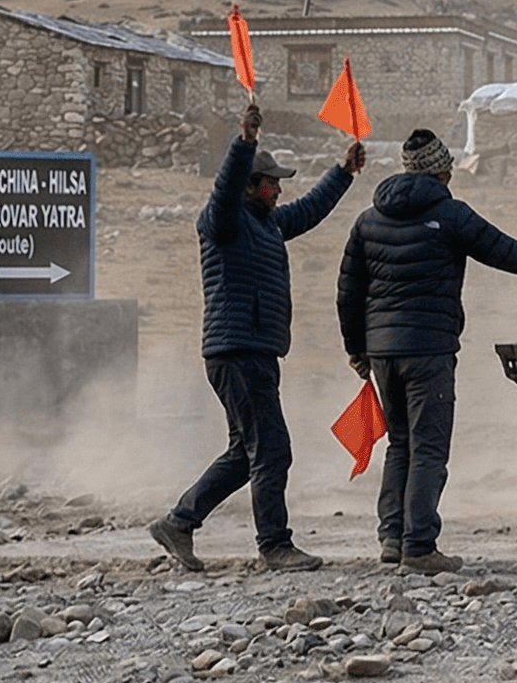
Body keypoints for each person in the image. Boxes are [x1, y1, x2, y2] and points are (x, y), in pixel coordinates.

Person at [336, 127, 517, 572]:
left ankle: (392, 538)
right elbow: (510, 254)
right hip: (429, 351)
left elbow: (348, 293)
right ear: (442, 171)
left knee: (400, 443)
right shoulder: (451, 215)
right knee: (429, 448)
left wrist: (356, 349)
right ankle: (419, 546)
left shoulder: (368, 220)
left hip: (382, 353)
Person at [152, 104, 363, 572]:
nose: (279, 189)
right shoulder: (223, 221)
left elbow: (309, 210)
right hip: (237, 350)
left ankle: (179, 522)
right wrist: (245, 142)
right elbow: (225, 188)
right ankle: (274, 545)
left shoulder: (267, 223)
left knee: (245, 452)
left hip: (255, 351)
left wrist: (343, 172)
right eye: (271, 182)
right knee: (271, 449)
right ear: (250, 184)